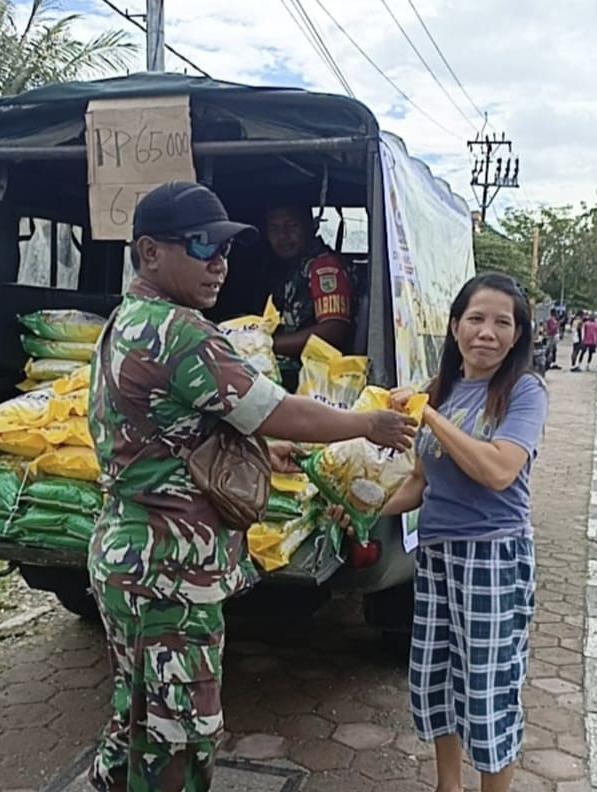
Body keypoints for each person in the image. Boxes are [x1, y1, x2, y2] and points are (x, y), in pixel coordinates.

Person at [86, 181, 417, 792]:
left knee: (137, 711)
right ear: (150, 252)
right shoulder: (181, 332)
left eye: (226, 250)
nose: (219, 263)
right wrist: (366, 424)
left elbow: (171, 430)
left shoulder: (126, 322)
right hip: (169, 567)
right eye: (201, 245)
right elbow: (276, 408)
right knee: (182, 730)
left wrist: (264, 449)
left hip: (130, 554)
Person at [384, 272, 548, 792]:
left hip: (492, 560)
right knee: (435, 681)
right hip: (437, 557)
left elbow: (498, 471)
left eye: (503, 322)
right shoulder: (444, 391)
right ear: (455, 327)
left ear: (518, 334)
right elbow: (418, 483)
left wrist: (428, 414)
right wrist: (355, 506)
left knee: (487, 692)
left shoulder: (524, 391)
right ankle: (447, 786)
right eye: (476, 319)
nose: (487, 332)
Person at [263, 204, 354, 390]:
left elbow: (333, 330)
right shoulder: (291, 266)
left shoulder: (323, 265)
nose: (283, 235)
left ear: (310, 226)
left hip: (318, 374)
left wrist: (267, 344)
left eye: (291, 225)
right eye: (274, 228)